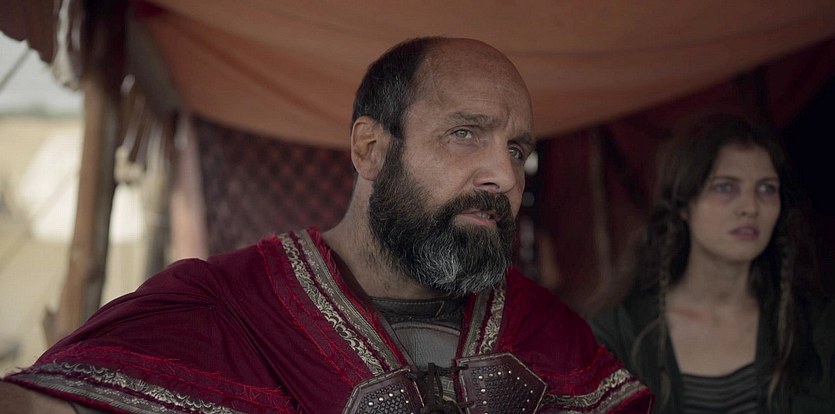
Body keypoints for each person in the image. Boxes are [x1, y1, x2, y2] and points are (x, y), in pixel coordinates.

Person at [1, 37, 653, 413]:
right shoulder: (222, 307)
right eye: (465, 134)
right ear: (370, 149)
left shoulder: (548, 331)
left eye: (516, 149)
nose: (505, 176)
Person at [591, 112, 835, 413]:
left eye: (766, 188)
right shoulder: (621, 334)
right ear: (684, 204)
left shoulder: (813, 328)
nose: (750, 207)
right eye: (725, 187)